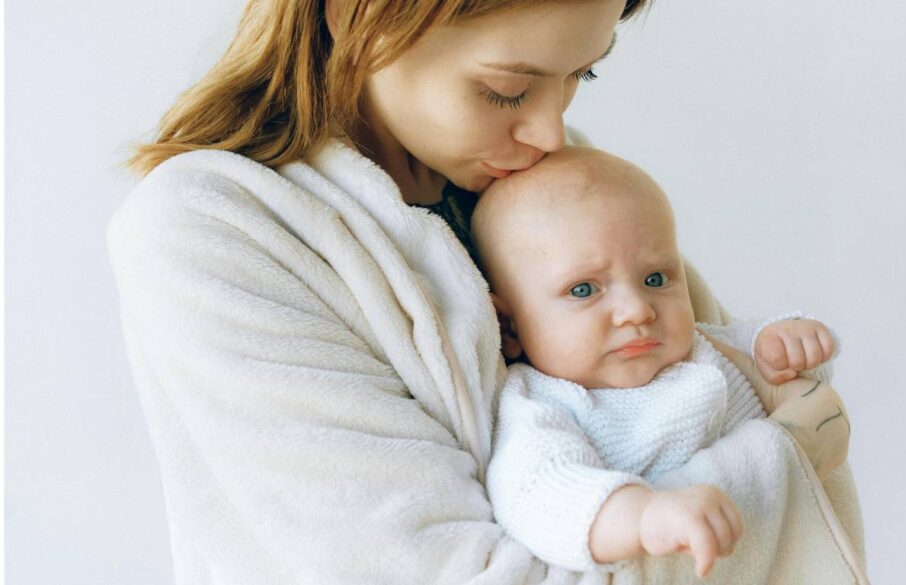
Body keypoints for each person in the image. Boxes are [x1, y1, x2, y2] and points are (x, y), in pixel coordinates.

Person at [109, 1, 865, 583]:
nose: (551, 131)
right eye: (508, 90)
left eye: (581, 74)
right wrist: (782, 462)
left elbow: (720, 382)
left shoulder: (548, 191)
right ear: (360, 17)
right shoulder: (215, 231)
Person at [473, 147, 850, 579]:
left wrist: (785, 340)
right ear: (510, 328)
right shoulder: (546, 404)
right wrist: (642, 516)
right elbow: (536, 492)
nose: (637, 310)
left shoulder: (698, 348)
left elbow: (792, 379)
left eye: (655, 279)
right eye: (583, 290)